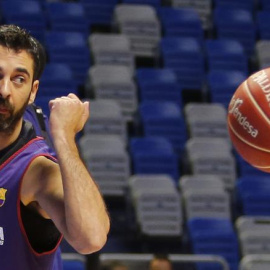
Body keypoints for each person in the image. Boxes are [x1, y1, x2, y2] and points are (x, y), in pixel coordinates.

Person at [0, 24, 110, 269]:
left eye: (19, 79)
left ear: (32, 92)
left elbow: (91, 239)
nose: (4, 90)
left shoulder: (36, 170)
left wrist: (63, 138)